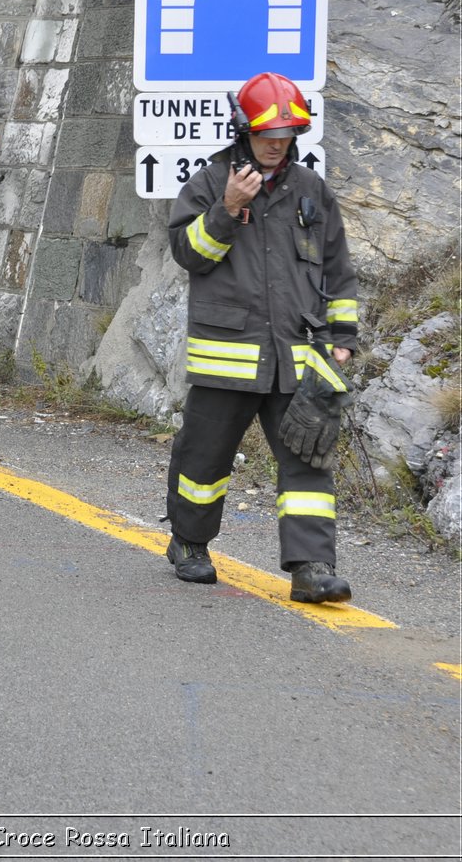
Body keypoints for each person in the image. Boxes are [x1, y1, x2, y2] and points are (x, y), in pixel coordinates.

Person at [163, 71, 360, 603]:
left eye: (286, 135)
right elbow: (189, 255)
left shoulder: (312, 190)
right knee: (204, 460)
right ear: (243, 130)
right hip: (228, 355)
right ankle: (189, 543)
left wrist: (342, 335)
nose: (277, 144)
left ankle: (311, 568)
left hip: (298, 356)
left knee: (308, 458)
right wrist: (226, 210)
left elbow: (338, 269)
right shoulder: (209, 183)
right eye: (268, 134)